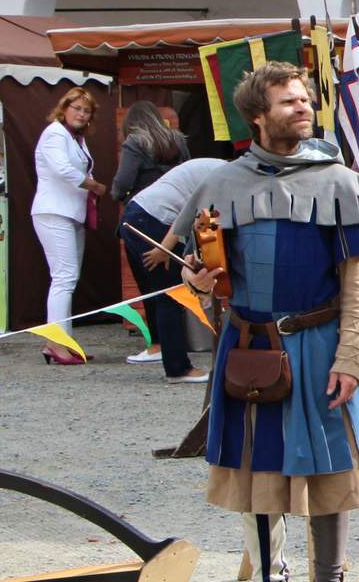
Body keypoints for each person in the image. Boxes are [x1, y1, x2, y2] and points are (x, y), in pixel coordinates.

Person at [176, 62, 359, 582]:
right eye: (288, 103)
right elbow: (213, 271)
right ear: (256, 116)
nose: (303, 109)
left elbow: (357, 278)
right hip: (249, 343)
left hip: (320, 345)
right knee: (257, 470)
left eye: (304, 100)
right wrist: (202, 280)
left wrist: (351, 355)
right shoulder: (224, 184)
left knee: (328, 469)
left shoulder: (340, 182)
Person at [118, 155, 226, 385]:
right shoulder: (227, 180)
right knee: (170, 296)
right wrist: (165, 249)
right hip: (154, 219)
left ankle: (158, 346)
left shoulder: (217, 168)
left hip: (135, 212)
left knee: (155, 292)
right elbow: (192, 216)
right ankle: (178, 369)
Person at [32, 86, 108, 366]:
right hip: (54, 212)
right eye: (76, 108)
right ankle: (57, 344)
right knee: (63, 278)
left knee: (67, 279)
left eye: (86, 111)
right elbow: (63, 170)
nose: (81, 114)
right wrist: (94, 185)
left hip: (70, 213)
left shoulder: (74, 138)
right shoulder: (54, 133)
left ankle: (61, 341)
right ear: (64, 109)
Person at [113, 102, 190, 367]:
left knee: (151, 288)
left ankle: (158, 345)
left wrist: (118, 196)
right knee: (171, 284)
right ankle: (176, 344)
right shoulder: (177, 140)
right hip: (176, 217)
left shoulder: (135, 141)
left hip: (144, 216)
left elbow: (123, 181)